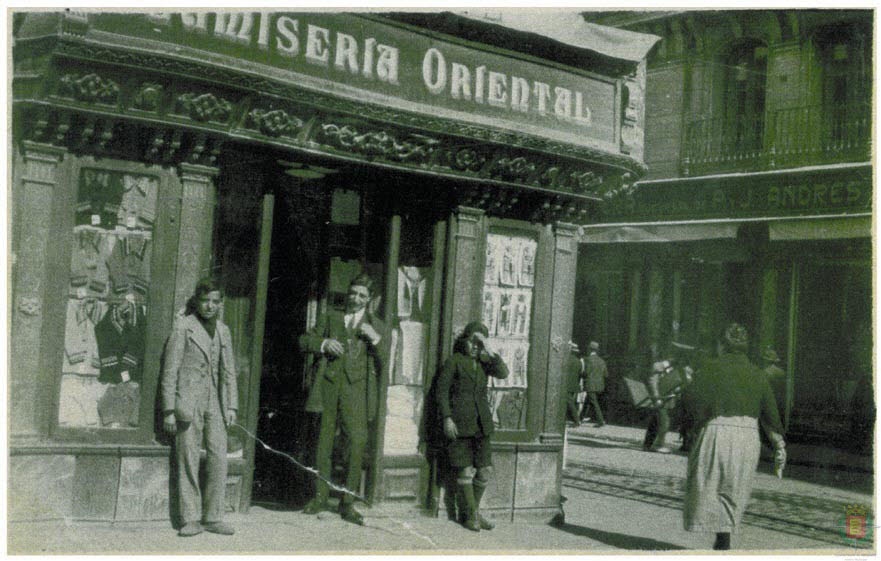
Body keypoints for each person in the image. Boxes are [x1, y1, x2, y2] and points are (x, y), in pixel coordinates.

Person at [681, 323, 786, 550]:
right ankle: (723, 540)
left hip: (716, 431)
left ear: (721, 345)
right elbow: (770, 413)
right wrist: (778, 441)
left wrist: (690, 426)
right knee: (734, 490)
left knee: (708, 487)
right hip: (748, 438)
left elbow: (691, 402)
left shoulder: (709, 368)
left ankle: (721, 542)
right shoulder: (758, 374)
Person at [300, 274, 387, 525]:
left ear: (369, 300)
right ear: (348, 293)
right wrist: (324, 343)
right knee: (323, 444)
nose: (355, 298)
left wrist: (375, 338)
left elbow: (386, 359)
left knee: (357, 444)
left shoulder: (376, 325)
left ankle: (347, 504)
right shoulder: (331, 316)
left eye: (362, 295)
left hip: (357, 393)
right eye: (353, 293)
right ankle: (320, 497)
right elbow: (304, 340)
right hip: (328, 388)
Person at [161, 277, 238, 537]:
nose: (210, 306)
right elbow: (169, 371)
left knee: (219, 457)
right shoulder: (184, 327)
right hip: (188, 402)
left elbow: (229, 372)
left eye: (215, 301)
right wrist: (168, 409)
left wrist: (232, 406)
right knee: (188, 457)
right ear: (196, 301)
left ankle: (213, 516)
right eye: (205, 301)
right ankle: (190, 518)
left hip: (216, 402)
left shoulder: (223, 330)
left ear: (221, 303)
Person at [436, 321, 509, 532]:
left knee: (484, 470)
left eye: (479, 343)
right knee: (465, 470)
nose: (475, 346)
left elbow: (503, 373)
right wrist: (447, 418)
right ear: (464, 341)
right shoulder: (455, 362)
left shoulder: (486, 363)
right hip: (459, 424)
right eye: (472, 341)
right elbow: (441, 392)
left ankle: (472, 512)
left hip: (481, 425)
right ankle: (471, 515)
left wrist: (489, 349)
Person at [643, 358, 674, 453]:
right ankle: (658, 445)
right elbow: (653, 383)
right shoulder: (659, 366)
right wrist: (657, 398)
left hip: (667, 399)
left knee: (655, 421)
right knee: (664, 422)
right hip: (660, 399)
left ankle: (648, 445)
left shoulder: (673, 368)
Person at [580, 341, 607, 427]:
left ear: (589, 349)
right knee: (588, 401)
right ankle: (579, 418)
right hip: (599, 386)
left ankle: (601, 421)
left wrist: (581, 375)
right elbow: (606, 374)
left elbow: (586, 372)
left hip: (590, 385)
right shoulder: (602, 361)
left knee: (594, 402)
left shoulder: (588, 359)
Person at [564, 341, 583, 427]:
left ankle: (577, 420)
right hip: (574, 385)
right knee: (569, 402)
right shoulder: (578, 362)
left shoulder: (566, 360)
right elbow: (580, 374)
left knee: (569, 403)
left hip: (566, 385)